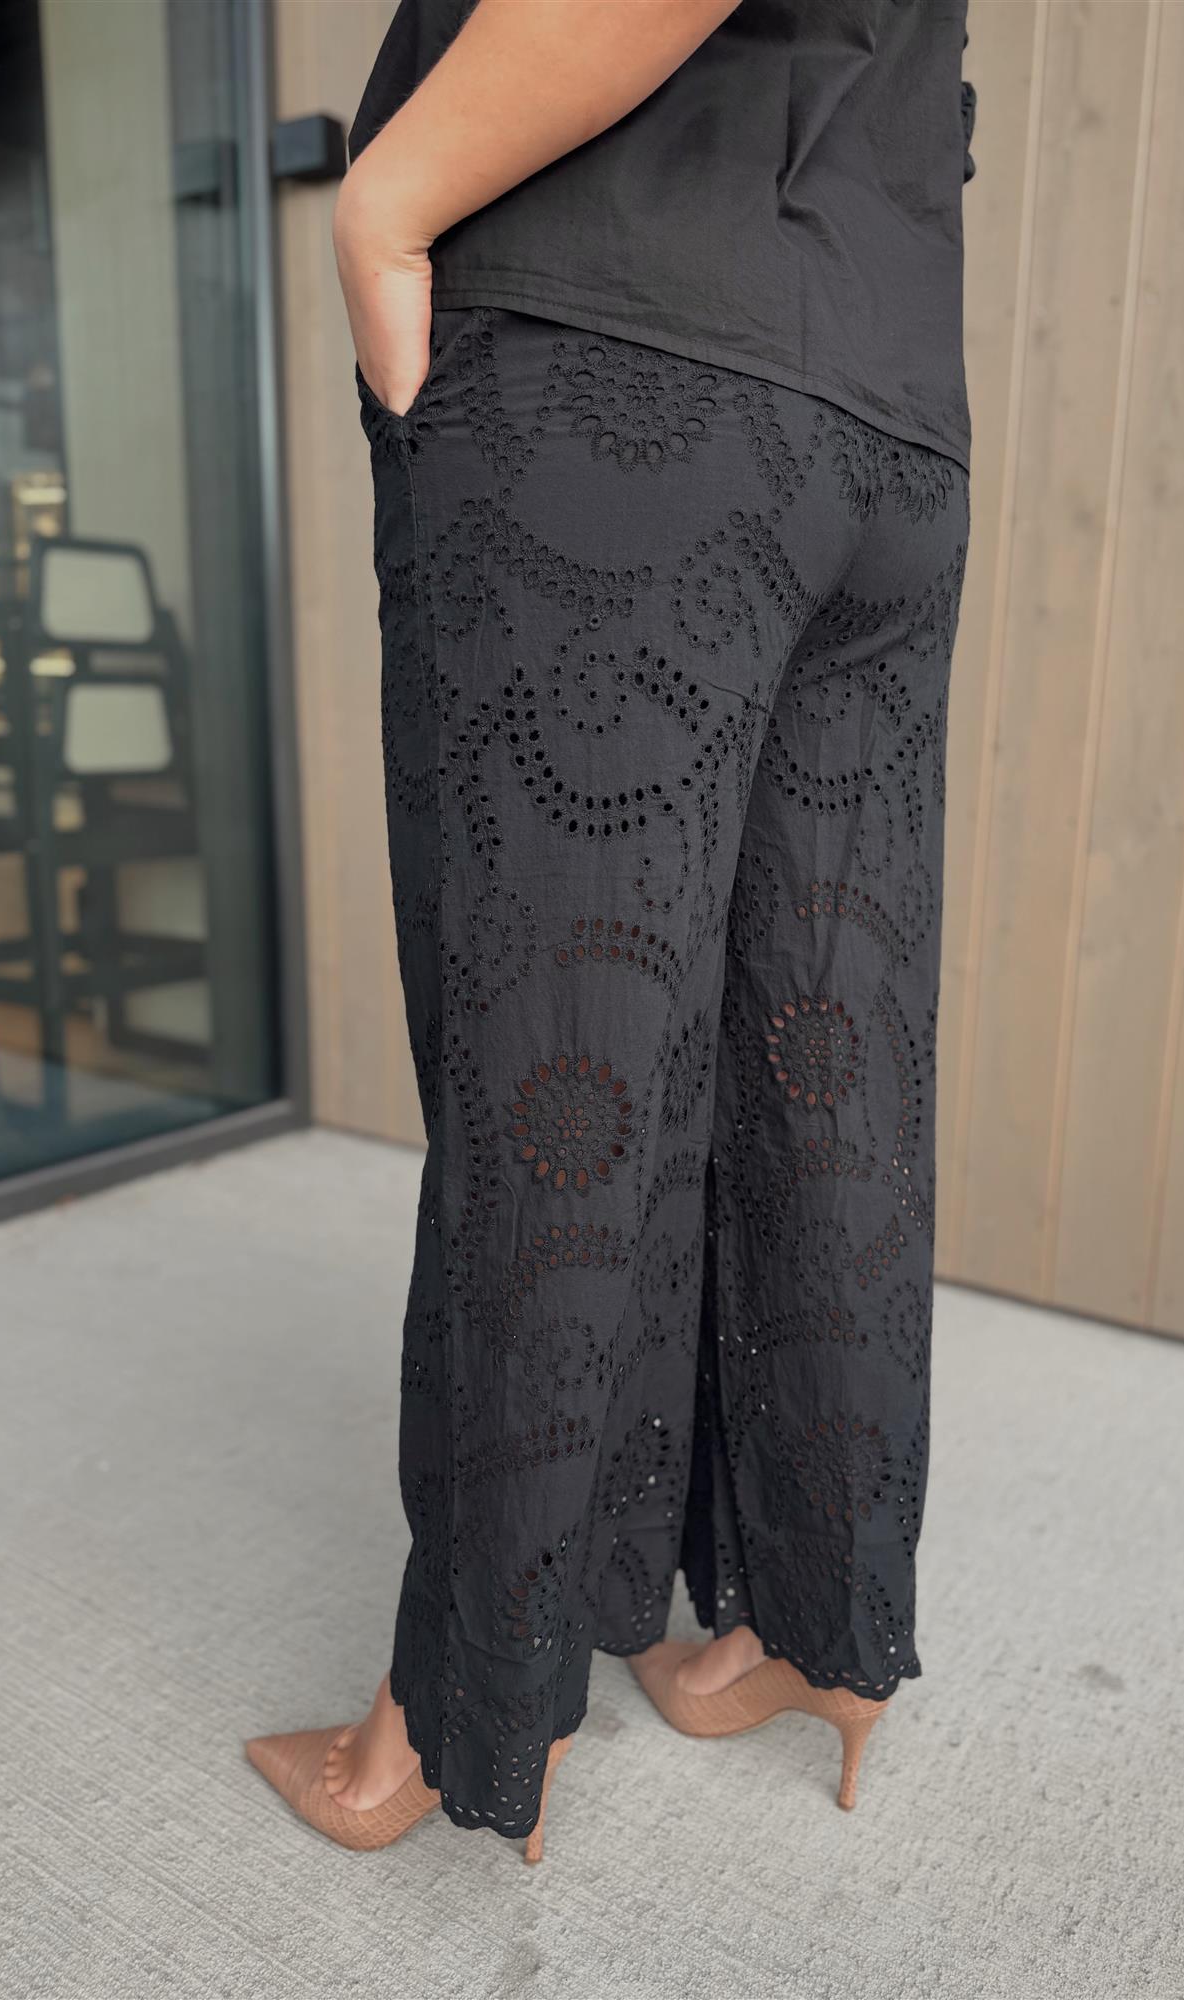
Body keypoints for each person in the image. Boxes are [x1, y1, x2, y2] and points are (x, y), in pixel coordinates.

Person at [246, 0, 977, 1864]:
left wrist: (385, 199)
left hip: (616, 353)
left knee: (556, 1063)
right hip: (884, 411)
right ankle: (809, 1625)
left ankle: (456, 1717)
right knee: (825, 1053)